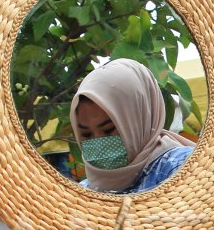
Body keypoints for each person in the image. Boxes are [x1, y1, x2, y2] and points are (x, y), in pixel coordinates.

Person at [69, 58, 193, 193]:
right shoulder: (83, 192)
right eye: (86, 135)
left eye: (108, 129)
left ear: (140, 118)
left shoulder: (183, 169)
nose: (99, 142)